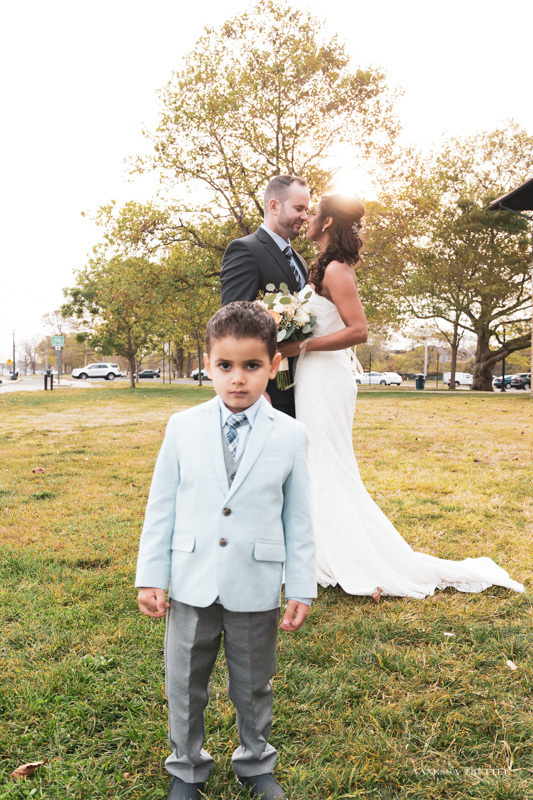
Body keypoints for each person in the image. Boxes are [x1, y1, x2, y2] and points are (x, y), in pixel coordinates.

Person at [280, 193, 524, 599]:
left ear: (325, 223)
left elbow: (359, 331)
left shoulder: (338, 269)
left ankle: (347, 555)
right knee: (316, 459)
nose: (305, 218)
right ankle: (318, 549)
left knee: (327, 459)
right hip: (313, 374)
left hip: (326, 375)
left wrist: (301, 347)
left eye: (312, 212)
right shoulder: (321, 266)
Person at [135, 301, 316, 800]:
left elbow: (298, 517)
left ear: (275, 365)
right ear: (209, 364)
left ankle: (256, 763)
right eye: (225, 366)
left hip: (255, 583)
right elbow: (162, 507)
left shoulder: (291, 434)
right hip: (191, 580)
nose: (238, 379)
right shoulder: (182, 426)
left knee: (254, 683)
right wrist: (151, 575)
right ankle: (187, 769)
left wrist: (300, 585)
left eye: (252, 366)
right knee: (185, 684)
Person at [220, 174, 310, 417]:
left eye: (307, 210)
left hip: (303, 389)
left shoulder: (300, 261)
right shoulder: (245, 250)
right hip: (268, 393)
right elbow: (233, 323)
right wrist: (254, 387)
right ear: (274, 206)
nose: (305, 216)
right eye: (299, 208)